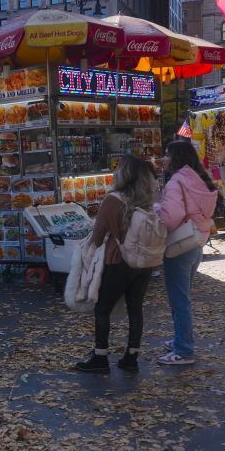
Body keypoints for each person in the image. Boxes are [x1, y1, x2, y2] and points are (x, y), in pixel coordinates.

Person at [75, 155, 158, 373]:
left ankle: (100, 357)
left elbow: (97, 234)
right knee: (135, 309)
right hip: (144, 262)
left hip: (119, 260)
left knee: (102, 308)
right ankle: (131, 357)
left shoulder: (114, 199)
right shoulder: (148, 200)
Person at [154, 140, 220, 366]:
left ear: (177, 158)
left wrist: (155, 209)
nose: (164, 158)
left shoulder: (176, 182)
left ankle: (184, 350)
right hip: (196, 241)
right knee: (183, 298)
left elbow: (170, 216)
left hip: (179, 246)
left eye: (167, 154)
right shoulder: (198, 179)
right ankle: (181, 340)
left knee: (179, 300)